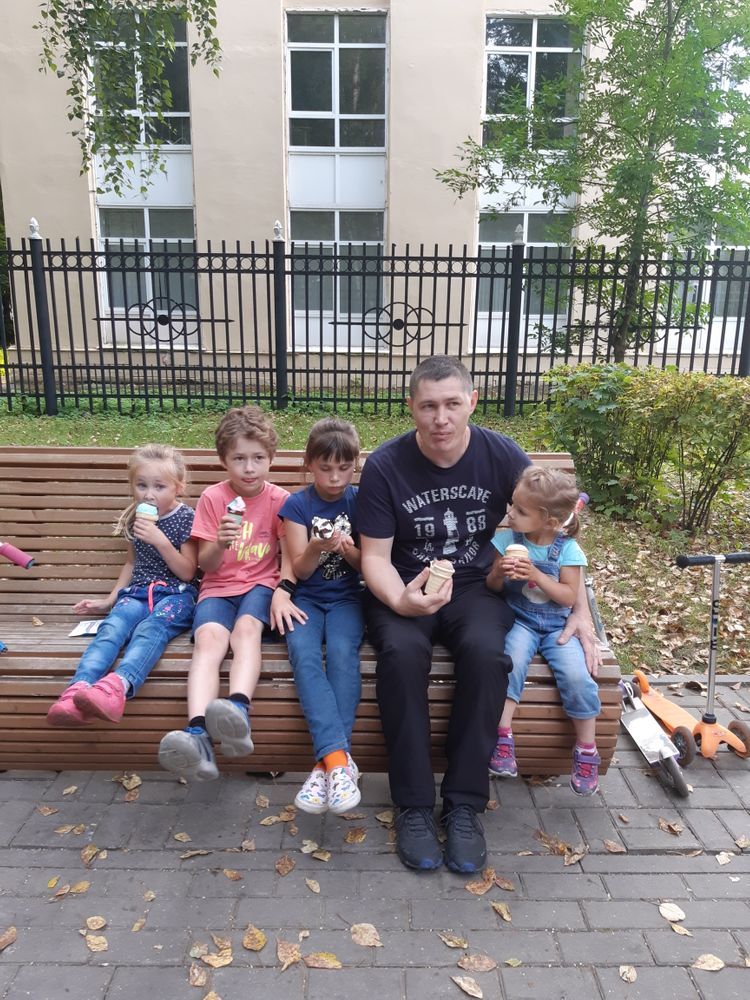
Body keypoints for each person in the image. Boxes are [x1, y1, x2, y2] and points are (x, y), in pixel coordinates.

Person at [357, 356, 601, 873]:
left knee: (488, 656)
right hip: (406, 584)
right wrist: (401, 601)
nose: (441, 418)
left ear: (472, 402)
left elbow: (557, 531)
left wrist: (581, 609)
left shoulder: (501, 455)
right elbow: (374, 558)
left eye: (452, 404)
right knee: (401, 656)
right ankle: (414, 806)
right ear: (411, 407)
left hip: (477, 587)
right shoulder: (385, 465)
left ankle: (465, 804)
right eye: (428, 406)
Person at [158, 406, 304, 780]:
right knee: (208, 642)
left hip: (260, 585)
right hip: (217, 588)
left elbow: (288, 556)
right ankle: (197, 734)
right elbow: (205, 566)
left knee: (246, 631)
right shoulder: (213, 498)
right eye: (239, 459)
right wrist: (220, 542)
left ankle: (238, 709)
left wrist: (284, 590)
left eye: (258, 458)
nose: (249, 468)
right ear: (224, 460)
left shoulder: (280, 500)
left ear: (271, 458)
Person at [46, 444, 198, 727]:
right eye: (141, 485)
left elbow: (188, 572)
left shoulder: (185, 517)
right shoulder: (134, 517)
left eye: (159, 486)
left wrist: (160, 541)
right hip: (137, 593)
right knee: (111, 629)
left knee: (150, 629)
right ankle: (77, 691)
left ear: (179, 487)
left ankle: (117, 686)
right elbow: (131, 564)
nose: (149, 494)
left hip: (175, 595)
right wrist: (109, 600)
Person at [486, 466, 601, 795]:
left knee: (577, 676)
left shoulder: (567, 550)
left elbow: (568, 597)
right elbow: (492, 587)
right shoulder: (506, 540)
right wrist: (498, 572)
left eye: (520, 511)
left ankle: (587, 748)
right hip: (520, 621)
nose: (510, 513)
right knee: (509, 664)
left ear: (550, 521)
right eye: (512, 504)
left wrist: (535, 574)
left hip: (556, 627)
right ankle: (502, 737)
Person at [279, 417, 364, 815]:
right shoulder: (297, 506)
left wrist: (347, 549)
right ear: (309, 464)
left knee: (344, 654)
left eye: (344, 468)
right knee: (304, 653)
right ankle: (339, 764)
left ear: (355, 464)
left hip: (349, 599)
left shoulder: (361, 501)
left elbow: (369, 566)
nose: (334, 478)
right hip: (307, 600)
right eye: (325, 468)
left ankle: (326, 765)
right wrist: (315, 547)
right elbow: (300, 570)